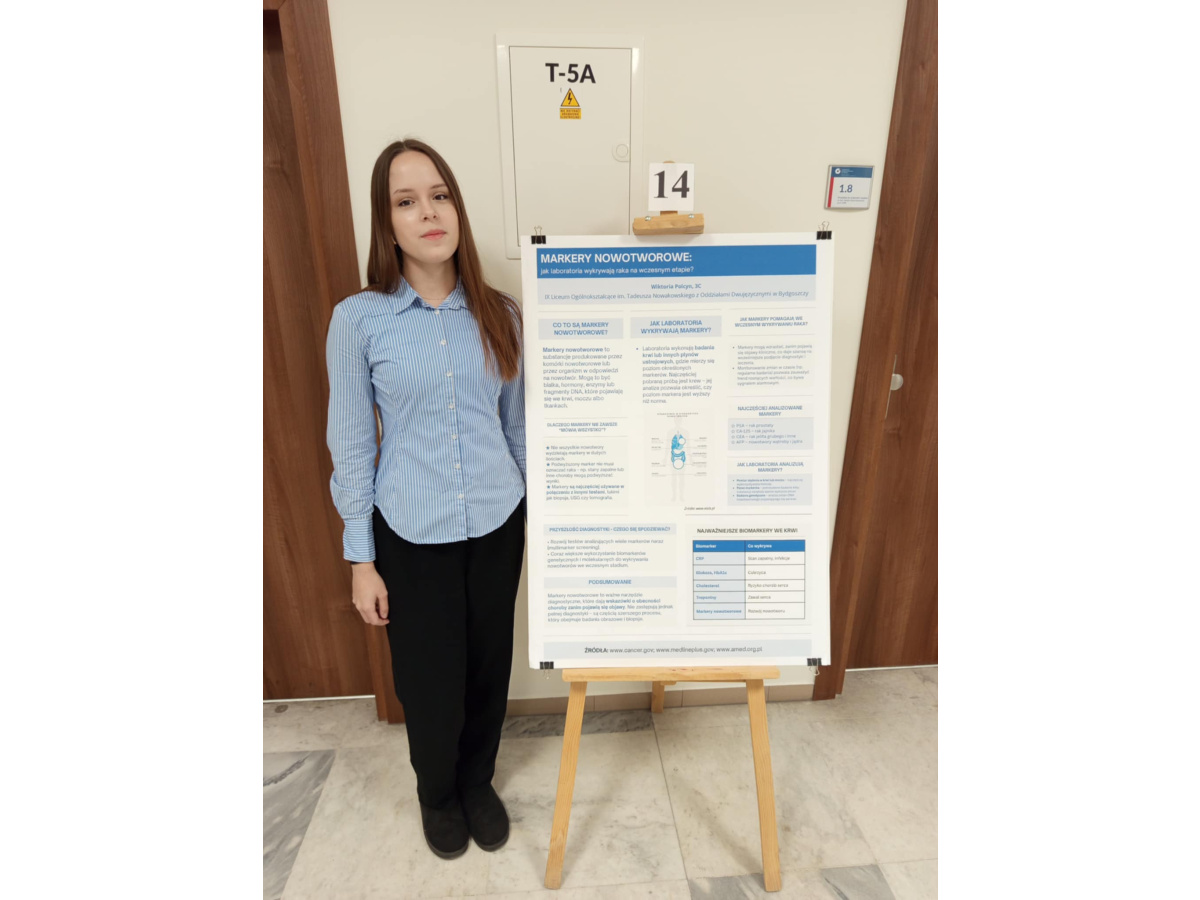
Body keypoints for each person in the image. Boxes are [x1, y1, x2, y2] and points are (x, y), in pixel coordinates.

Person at [325, 139, 526, 860]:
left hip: (498, 522)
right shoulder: (358, 320)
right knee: (428, 677)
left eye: (439, 196)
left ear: (457, 208)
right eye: (406, 202)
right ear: (387, 224)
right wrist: (361, 560)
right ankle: (437, 791)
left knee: (488, 667)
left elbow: (517, 430)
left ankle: (478, 781)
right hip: (410, 531)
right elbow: (352, 445)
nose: (428, 213)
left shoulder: (501, 313)